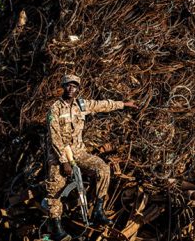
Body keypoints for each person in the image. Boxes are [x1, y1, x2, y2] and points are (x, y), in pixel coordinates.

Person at [45, 74, 138, 240]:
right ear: (63, 87)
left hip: (79, 153)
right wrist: (64, 162)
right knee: (56, 189)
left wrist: (123, 104)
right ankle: (57, 227)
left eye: (74, 86)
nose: (71, 88)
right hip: (58, 156)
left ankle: (98, 210)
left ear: (78, 89)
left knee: (102, 169)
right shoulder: (55, 108)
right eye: (68, 85)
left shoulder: (81, 105)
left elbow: (101, 105)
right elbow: (54, 137)